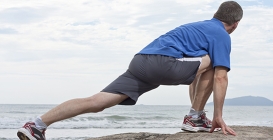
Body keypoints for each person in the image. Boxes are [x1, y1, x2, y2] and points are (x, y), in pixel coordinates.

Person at [17, 1, 243, 140]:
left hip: (140, 60)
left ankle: (36, 125)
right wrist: (218, 116)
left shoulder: (196, 27)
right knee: (215, 63)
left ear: (216, 14)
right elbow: (220, 77)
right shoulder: (221, 34)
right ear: (235, 23)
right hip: (164, 63)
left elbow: (196, 71)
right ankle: (195, 117)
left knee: (97, 101)